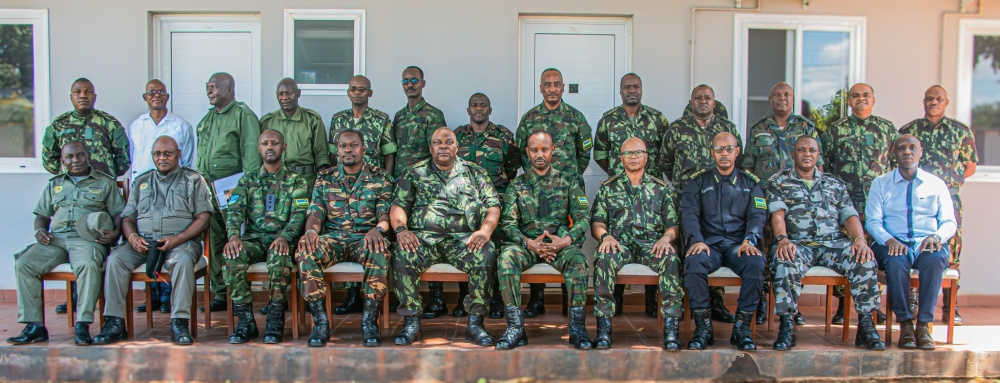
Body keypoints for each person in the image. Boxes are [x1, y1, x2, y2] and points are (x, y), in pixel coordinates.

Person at [764, 136, 885, 351]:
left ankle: (866, 325)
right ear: (794, 154)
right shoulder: (779, 181)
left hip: (832, 244)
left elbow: (849, 215)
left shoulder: (834, 183)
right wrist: (782, 239)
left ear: (818, 154)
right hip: (797, 244)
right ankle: (787, 324)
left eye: (812, 150)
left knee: (863, 258)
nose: (807, 154)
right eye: (802, 150)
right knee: (784, 259)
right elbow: (777, 214)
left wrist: (860, 241)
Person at [93, 136, 214, 345]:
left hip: (182, 242)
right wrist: (132, 237)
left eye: (168, 153)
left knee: (182, 261)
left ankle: (179, 322)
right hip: (144, 243)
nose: (162, 158)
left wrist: (177, 239)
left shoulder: (193, 180)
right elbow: (128, 217)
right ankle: (114, 323)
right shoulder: (142, 181)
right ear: (152, 157)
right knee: (115, 260)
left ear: (178, 155)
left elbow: (204, 217)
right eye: (157, 154)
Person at [390, 127, 500, 347]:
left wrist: (485, 231)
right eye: (437, 142)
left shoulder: (474, 172)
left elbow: (493, 206)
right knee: (402, 254)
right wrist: (402, 229)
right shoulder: (414, 172)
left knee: (487, 254)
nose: (443, 146)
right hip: (424, 240)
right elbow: (398, 205)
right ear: (430, 147)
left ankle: (476, 324)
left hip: (463, 240)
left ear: (456, 147)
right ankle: (411, 322)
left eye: (448, 142)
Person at [7, 142, 124, 346]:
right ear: (63, 161)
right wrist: (39, 230)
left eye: (80, 155)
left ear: (88, 156)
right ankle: (34, 325)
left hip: (87, 239)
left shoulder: (105, 183)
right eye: (70, 157)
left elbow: (119, 214)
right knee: (24, 264)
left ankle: (83, 324)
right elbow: (42, 215)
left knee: (88, 265)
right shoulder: (54, 184)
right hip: (56, 239)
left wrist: (114, 235)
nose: (75, 160)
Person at [495, 131, 591, 351]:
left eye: (544, 149)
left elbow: (583, 218)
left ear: (553, 150)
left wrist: (565, 241)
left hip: (560, 245)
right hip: (527, 245)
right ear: (527, 152)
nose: (540, 154)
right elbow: (508, 224)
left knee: (578, 260)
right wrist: (529, 243)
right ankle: (515, 329)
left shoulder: (569, 182)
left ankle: (577, 328)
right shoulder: (516, 185)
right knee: (506, 259)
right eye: (534, 149)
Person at [296, 129, 392, 348]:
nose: (348, 150)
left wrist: (378, 229)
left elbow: (385, 215)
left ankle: (369, 322)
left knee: (378, 249)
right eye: (343, 146)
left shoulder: (381, 177)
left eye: (353, 145)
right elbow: (315, 214)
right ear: (337, 150)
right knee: (306, 249)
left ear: (364, 149)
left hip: (365, 237)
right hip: (334, 239)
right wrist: (311, 232)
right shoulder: (325, 178)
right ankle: (320, 323)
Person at [42, 78, 130, 316]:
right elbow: (48, 159)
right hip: (70, 194)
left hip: (102, 193)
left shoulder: (109, 123)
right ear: (71, 96)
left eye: (88, 92)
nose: (83, 95)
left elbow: (123, 159)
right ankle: (76, 297)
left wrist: (104, 177)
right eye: (77, 92)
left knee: (102, 243)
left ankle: (99, 296)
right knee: (69, 237)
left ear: (95, 96)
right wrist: (67, 177)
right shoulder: (59, 125)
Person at [741, 82, 822, 326]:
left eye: (786, 95)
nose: (782, 99)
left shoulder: (806, 128)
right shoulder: (759, 129)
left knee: (794, 250)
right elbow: (747, 166)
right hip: (764, 201)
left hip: (798, 206)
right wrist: (753, 197)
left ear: (793, 98)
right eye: (777, 95)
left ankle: (791, 305)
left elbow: (819, 167)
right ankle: (763, 300)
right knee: (764, 250)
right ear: (770, 99)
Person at [514, 67, 592, 317]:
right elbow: (520, 150)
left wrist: (568, 176)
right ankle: (536, 299)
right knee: (536, 232)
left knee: (567, 234)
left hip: (567, 186)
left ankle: (570, 298)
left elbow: (584, 153)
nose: (552, 88)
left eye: (556, 83)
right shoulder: (529, 118)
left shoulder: (576, 118)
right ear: (540, 88)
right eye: (547, 84)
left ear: (562, 87)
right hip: (534, 188)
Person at [591, 137, 682, 350]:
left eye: (638, 153)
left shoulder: (661, 189)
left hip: (652, 244)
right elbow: (597, 222)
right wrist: (605, 237)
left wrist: (666, 238)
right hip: (619, 243)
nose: (633, 157)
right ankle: (604, 328)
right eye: (628, 153)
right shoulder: (608, 188)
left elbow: (673, 224)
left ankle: (671, 328)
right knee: (603, 257)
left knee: (670, 257)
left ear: (646, 157)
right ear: (621, 158)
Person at [662, 85, 742, 324]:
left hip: (720, 201)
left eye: (707, 98)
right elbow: (665, 161)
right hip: (686, 199)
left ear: (714, 102)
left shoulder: (727, 129)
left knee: (715, 245)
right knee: (687, 248)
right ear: (691, 101)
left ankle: (715, 301)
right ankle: (687, 301)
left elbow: (739, 159)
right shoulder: (676, 129)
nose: (703, 101)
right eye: (698, 97)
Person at [868, 135, 956, 350]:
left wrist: (936, 237)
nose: (907, 152)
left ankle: (924, 324)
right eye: (901, 148)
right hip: (892, 242)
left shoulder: (936, 184)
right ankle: (906, 324)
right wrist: (889, 240)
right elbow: (872, 221)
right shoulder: (881, 183)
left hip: (926, 242)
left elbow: (949, 222)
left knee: (934, 260)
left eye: (912, 148)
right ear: (894, 153)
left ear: (920, 152)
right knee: (896, 262)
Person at [899, 85, 977, 325]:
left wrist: (946, 185)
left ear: (946, 102)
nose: (934, 102)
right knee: (913, 243)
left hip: (949, 199)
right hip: (914, 197)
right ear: (924, 101)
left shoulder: (960, 131)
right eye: (930, 98)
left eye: (939, 99)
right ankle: (912, 302)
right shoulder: (909, 130)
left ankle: (950, 306)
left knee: (950, 251)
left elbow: (970, 165)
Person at [593, 73, 670, 318]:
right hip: (619, 190)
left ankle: (651, 302)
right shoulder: (608, 119)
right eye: (627, 87)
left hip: (650, 192)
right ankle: (613, 304)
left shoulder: (658, 119)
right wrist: (617, 175)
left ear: (642, 89)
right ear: (620, 90)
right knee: (619, 235)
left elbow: (667, 154)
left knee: (653, 238)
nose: (632, 90)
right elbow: (599, 153)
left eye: (636, 86)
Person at [680, 132, 765, 351]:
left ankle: (741, 329)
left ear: (737, 151)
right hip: (709, 244)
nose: (724, 154)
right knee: (694, 261)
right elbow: (689, 214)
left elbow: (757, 215)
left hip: (739, 244)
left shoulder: (750, 184)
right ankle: (703, 328)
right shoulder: (698, 182)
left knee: (756, 263)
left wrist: (750, 240)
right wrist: (696, 240)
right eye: (719, 149)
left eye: (728, 149)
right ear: (712, 153)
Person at [820, 83, 896, 325]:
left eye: (866, 95)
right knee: (848, 250)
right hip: (845, 204)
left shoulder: (887, 129)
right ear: (849, 102)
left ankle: (874, 307)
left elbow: (896, 165)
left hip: (878, 203)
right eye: (855, 96)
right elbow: (824, 167)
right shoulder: (835, 130)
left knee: (873, 253)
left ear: (873, 100)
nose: (860, 99)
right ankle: (843, 306)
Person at [223, 129, 308, 344]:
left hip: (282, 240)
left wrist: (285, 237)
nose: (270, 147)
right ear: (259, 149)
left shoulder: (297, 181)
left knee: (279, 259)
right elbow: (234, 211)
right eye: (265, 143)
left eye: (275, 143)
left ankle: (275, 320)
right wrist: (233, 237)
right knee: (232, 256)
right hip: (254, 240)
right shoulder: (247, 180)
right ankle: (246, 321)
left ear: (284, 147)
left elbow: (300, 215)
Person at [328, 75, 396, 316]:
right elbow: (332, 154)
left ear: (370, 93)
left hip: (372, 185)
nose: (357, 93)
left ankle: (374, 297)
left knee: (373, 237)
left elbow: (389, 153)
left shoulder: (381, 120)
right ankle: (351, 296)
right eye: (353, 89)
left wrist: (384, 181)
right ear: (348, 92)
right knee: (345, 228)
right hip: (343, 185)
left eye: (362, 89)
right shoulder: (337, 120)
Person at [127, 78, 196, 315]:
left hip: (173, 185)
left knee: (169, 233)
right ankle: (153, 295)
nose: (156, 95)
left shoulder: (181, 126)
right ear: (145, 97)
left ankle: (168, 296)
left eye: (161, 92)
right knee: (148, 237)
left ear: (167, 97)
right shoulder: (136, 126)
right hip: (145, 189)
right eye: (151, 92)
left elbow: (186, 160)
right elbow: (133, 158)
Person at [195, 72, 262, 313]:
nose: (210, 91)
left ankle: (239, 295)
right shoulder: (208, 119)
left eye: (214, 87)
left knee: (236, 239)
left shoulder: (242, 115)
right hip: (208, 188)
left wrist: (248, 192)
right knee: (214, 240)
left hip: (233, 187)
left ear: (230, 90)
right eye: (208, 87)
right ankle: (220, 292)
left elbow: (252, 157)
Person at [391, 66, 449, 318]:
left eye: (414, 80)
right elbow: (393, 151)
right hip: (403, 185)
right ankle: (404, 296)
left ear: (423, 83)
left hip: (427, 186)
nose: (410, 84)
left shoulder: (433, 114)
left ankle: (437, 298)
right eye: (405, 80)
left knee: (431, 234)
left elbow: (440, 150)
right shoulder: (399, 116)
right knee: (404, 237)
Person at [454, 92, 519, 319]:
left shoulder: (503, 136)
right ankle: (466, 300)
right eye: (474, 105)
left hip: (497, 201)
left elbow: (512, 167)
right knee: (466, 247)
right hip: (465, 203)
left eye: (483, 105)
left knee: (498, 249)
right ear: (468, 110)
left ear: (490, 110)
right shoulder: (457, 137)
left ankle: (498, 300)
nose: (479, 109)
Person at [259, 78, 331, 190]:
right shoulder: (267, 122)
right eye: (281, 94)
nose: (284, 97)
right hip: (275, 180)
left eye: (289, 93)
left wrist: (322, 184)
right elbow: (260, 155)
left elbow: (321, 156)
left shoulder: (312, 119)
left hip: (306, 180)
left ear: (298, 93)